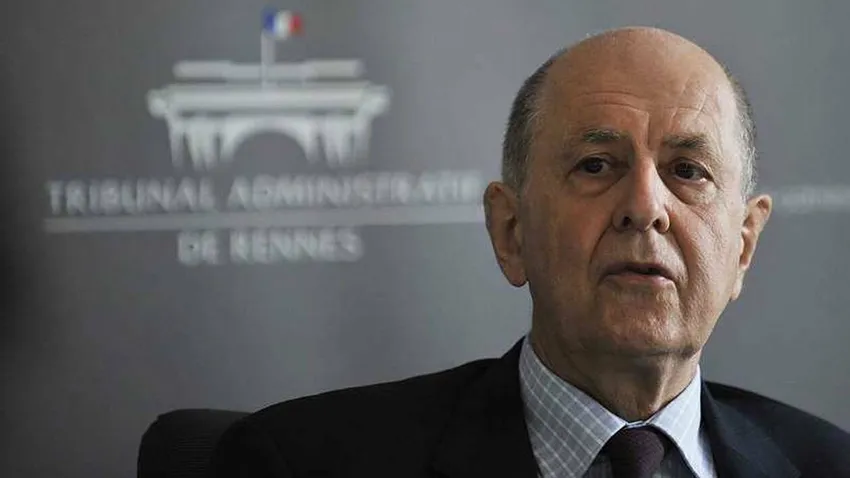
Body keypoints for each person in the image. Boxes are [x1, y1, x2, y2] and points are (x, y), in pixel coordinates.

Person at [210, 27, 850, 477]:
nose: (645, 206)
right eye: (596, 165)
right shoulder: (302, 461)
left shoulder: (829, 463)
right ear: (510, 230)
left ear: (743, 247)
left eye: (688, 171)